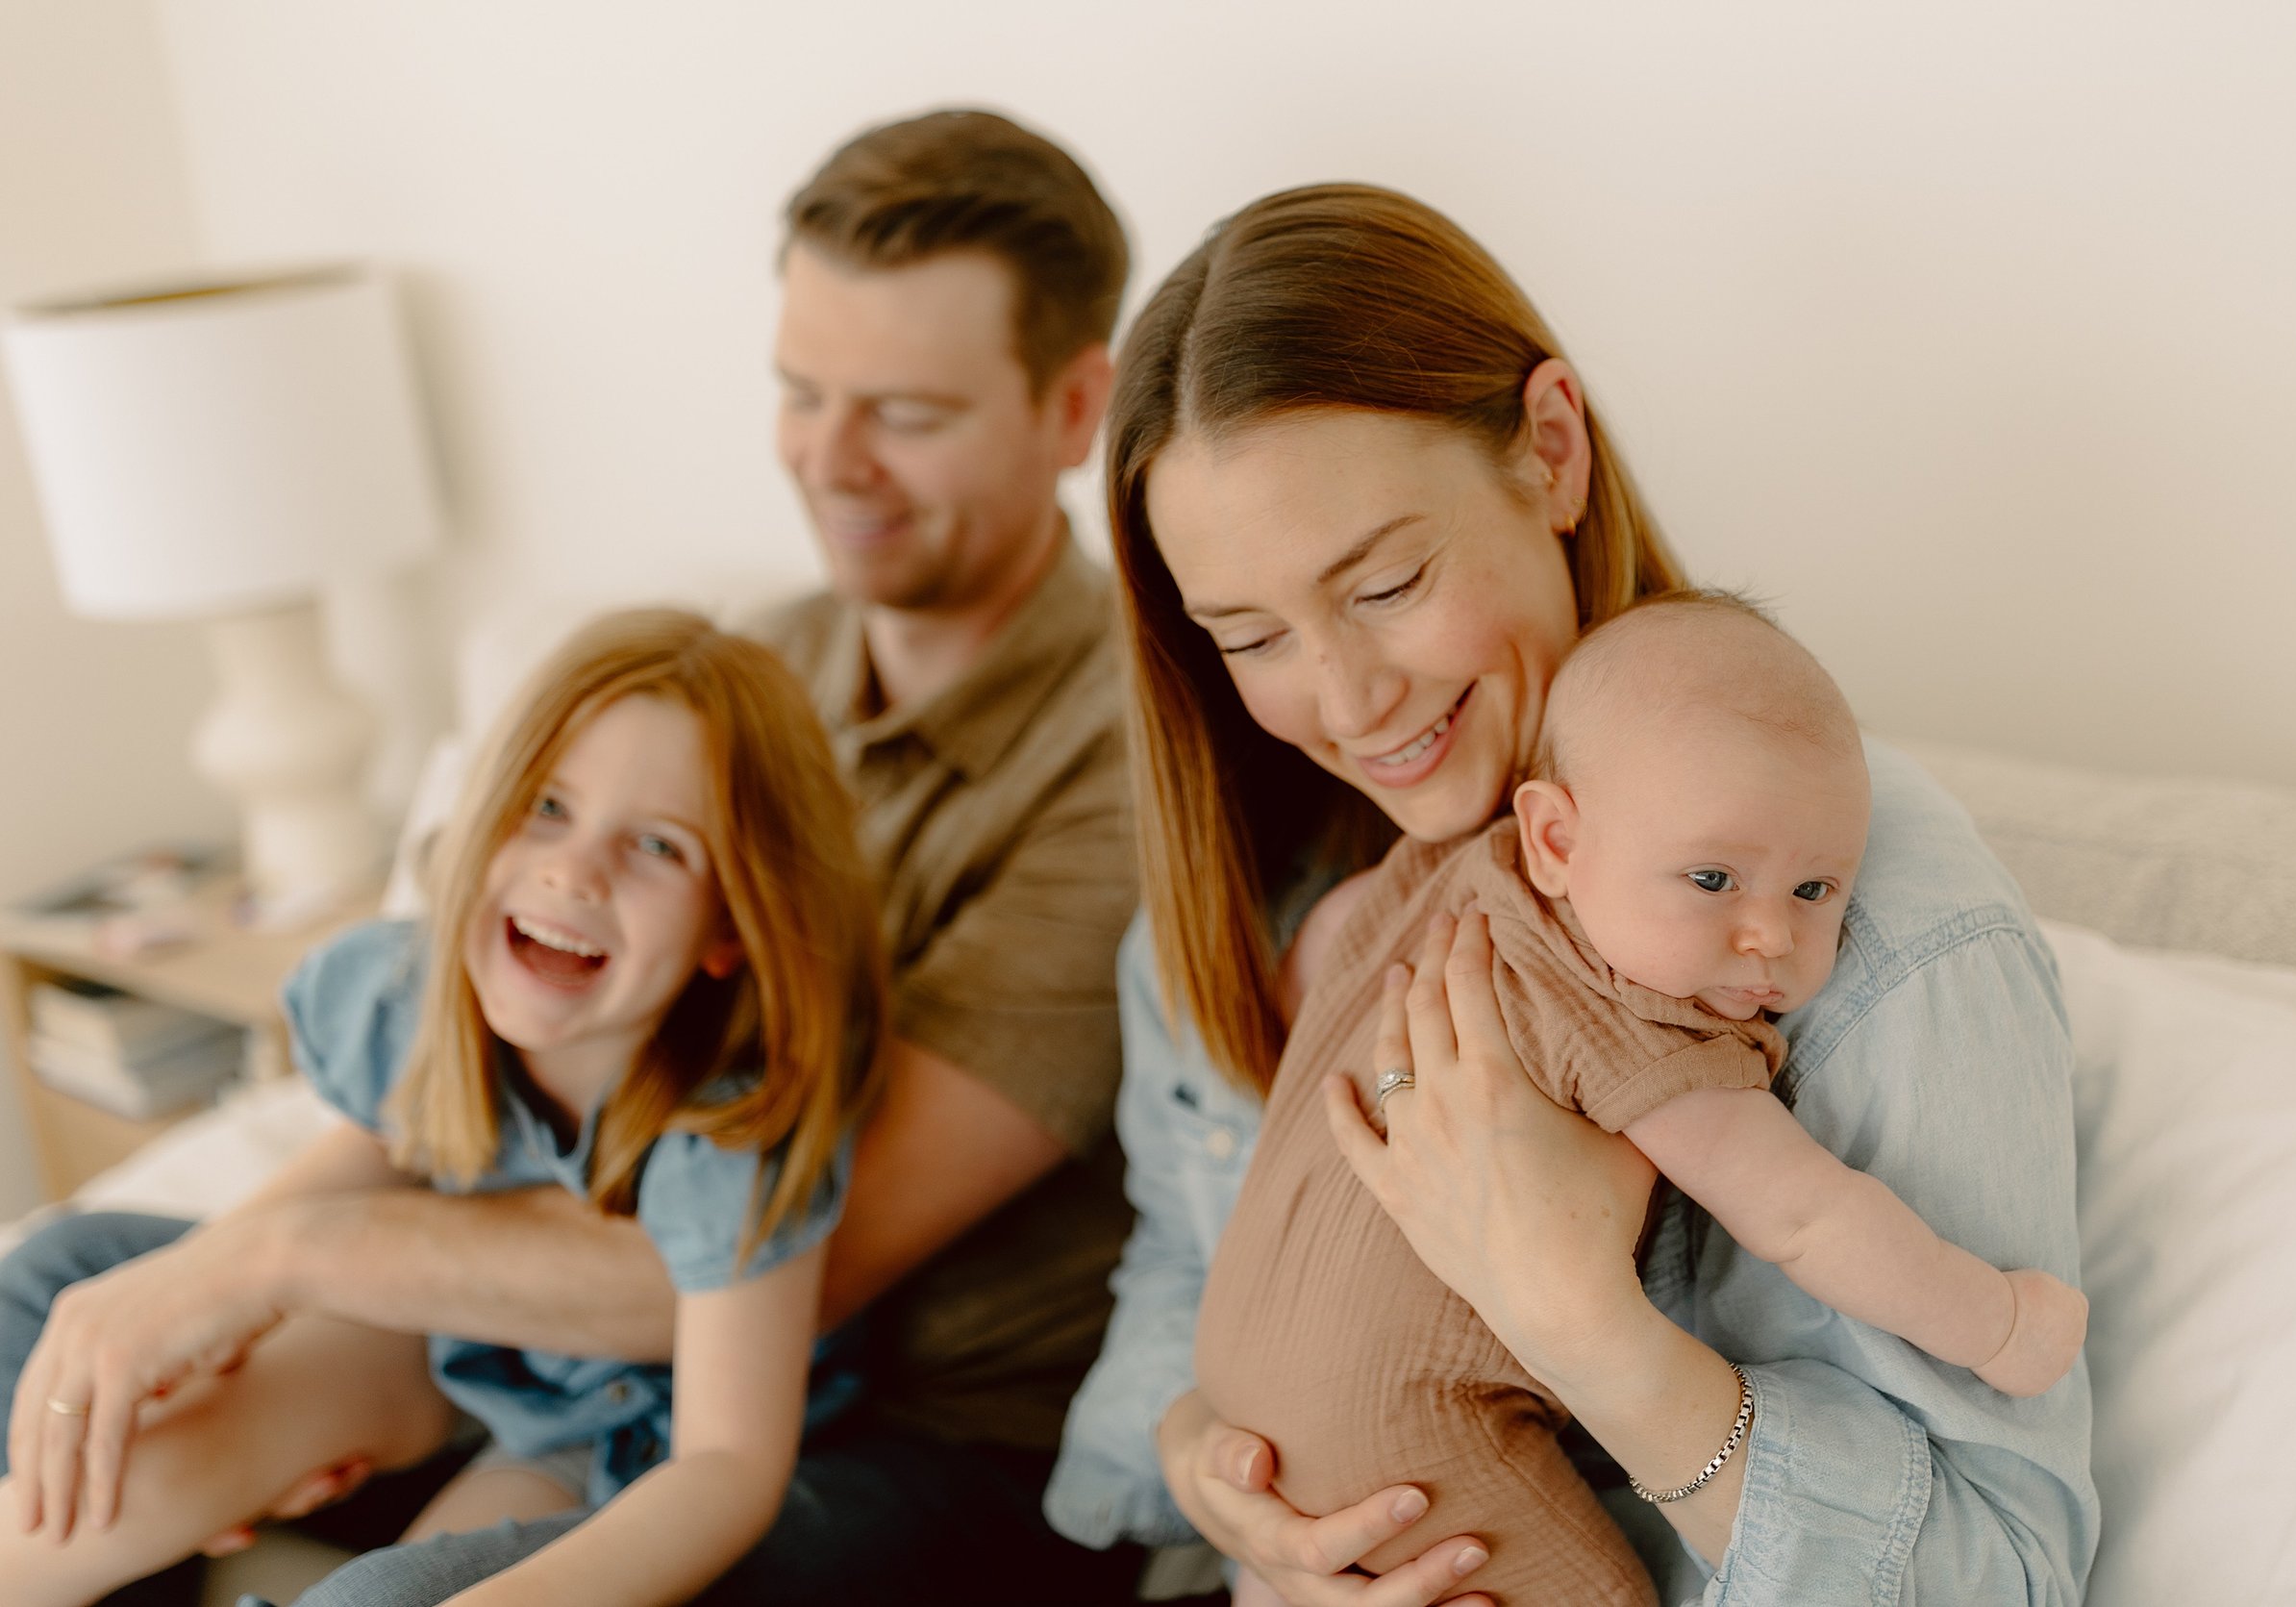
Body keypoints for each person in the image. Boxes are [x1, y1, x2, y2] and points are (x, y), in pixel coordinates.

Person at [0, 107, 1143, 1606]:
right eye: (801, 391)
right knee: (64, 1285)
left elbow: (764, 1268)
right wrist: (222, 1301)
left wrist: (271, 1269)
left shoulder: (1130, 771)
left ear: (1074, 407)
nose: (831, 459)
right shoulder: (755, 670)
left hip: (882, 1425)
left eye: (908, 412)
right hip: (535, 1341)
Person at [1045, 182, 2098, 1606]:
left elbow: (2006, 1570)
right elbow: (1173, 1271)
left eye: (1389, 581)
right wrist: (1213, 1471)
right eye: (1250, 634)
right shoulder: (1252, 903)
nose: (1347, 699)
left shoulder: (1851, 929)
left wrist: (1594, 1333)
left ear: (1549, 451)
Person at [1195, 594, 2087, 1605]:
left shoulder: (1432, 886)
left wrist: (1196, 1429)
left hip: (1235, 1382)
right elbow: (1804, 1213)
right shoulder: (1626, 1006)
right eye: (1712, 878)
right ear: (1554, 841)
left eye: (1816, 891)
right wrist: (1999, 1323)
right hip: (1386, 1415)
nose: (1768, 938)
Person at [2, 610, 882, 1607]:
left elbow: (725, 1469)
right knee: (80, 1337)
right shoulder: (409, 998)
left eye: (656, 846)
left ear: (730, 926)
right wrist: (193, 1309)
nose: (574, 869)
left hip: (625, 1431)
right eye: (546, 806)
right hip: (456, 1353)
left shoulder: (733, 1128)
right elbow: (355, 1168)